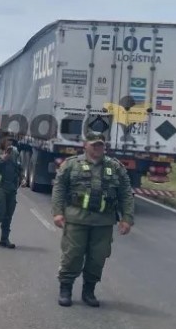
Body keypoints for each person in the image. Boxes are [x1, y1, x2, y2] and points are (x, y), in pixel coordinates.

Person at [51, 132, 135, 307]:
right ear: (85, 145)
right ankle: (65, 288)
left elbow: (126, 193)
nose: (97, 147)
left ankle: (89, 291)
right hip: (77, 219)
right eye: (94, 144)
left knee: (98, 258)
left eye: (100, 145)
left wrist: (127, 218)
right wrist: (57, 212)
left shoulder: (115, 167)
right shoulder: (71, 164)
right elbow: (59, 188)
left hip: (103, 222)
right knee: (72, 255)